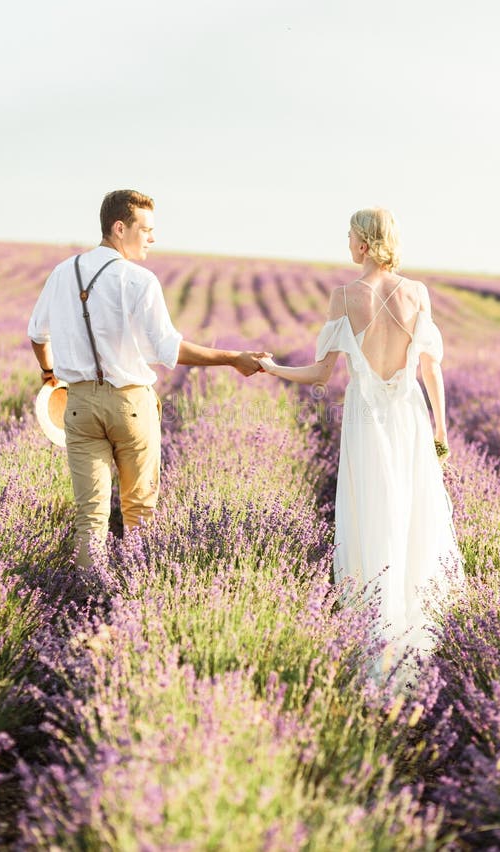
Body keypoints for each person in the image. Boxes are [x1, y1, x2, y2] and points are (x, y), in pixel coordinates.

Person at [259, 208, 463, 662]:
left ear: (365, 243)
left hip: (365, 417)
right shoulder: (417, 293)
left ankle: (375, 632)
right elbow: (432, 369)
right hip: (410, 416)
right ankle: (419, 634)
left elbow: (320, 372)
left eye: (351, 236)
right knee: (413, 514)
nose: (348, 244)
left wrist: (273, 368)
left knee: (372, 513)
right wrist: (441, 429)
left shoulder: (346, 297)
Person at [28, 189, 264, 571]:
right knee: (140, 510)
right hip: (130, 405)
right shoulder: (139, 280)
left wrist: (49, 374)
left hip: (79, 406)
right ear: (120, 228)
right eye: (146, 229)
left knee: (90, 515)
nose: (152, 239)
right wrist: (233, 358)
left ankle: (91, 593)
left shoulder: (62, 272)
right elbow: (170, 350)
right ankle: (135, 597)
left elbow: (38, 334)